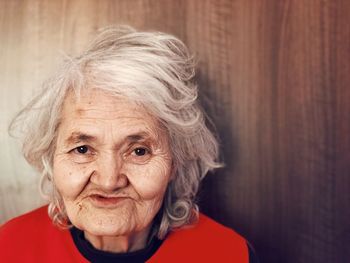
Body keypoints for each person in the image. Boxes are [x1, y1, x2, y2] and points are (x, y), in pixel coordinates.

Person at [0, 26, 258, 262]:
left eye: (139, 151)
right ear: (51, 157)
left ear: (175, 163)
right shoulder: (9, 248)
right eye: (82, 149)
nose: (109, 181)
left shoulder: (228, 254)